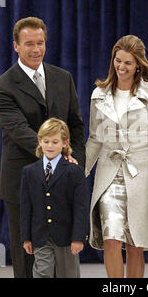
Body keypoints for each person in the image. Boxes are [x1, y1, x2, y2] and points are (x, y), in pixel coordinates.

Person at [0, 17, 85, 278]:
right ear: (16, 46)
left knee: (63, 255)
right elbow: (20, 131)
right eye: (29, 43)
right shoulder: (2, 86)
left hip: (64, 180)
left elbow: (76, 126)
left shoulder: (63, 78)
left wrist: (75, 165)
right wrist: (59, 155)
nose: (36, 49)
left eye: (40, 43)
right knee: (28, 256)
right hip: (23, 181)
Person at [85, 35, 148, 278]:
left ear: (139, 65)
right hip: (108, 175)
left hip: (141, 177)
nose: (121, 67)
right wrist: (77, 170)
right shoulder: (98, 94)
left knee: (135, 244)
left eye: (128, 63)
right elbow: (95, 139)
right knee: (111, 238)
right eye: (117, 60)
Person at [20, 118, 89, 278]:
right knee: (42, 273)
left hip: (66, 236)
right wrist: (26, 237)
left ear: (65, 143)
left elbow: (80, 207)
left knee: (68, 274)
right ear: (39, 141)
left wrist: (78, 237)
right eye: (46, 141)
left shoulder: (75, 171)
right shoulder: (29, 171)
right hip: (40, 235)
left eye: (55, 142)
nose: (50, 146)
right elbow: (26, 207)